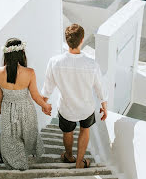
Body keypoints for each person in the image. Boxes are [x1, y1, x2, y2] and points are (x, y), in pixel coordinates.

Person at [41, 24, 108, 169]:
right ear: (82, 40)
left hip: (66, 108)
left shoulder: (54, 62)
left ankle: (69, 156)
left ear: (67, 40)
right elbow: (100, 89)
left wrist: (44, 104)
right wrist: (104, 106)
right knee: (85, 130)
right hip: (86, 108)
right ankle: (79, 162)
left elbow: (48, 87)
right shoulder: (92, 64)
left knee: (68, 132)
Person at [0, 38, 52, 170]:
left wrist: (0, 108)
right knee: (28, 133)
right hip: (26, 108)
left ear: (6, 54)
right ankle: (25, 157)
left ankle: (18, 163)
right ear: (22, 54)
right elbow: (35, 95)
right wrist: (45, 106)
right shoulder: (29, 72)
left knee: (11, 138)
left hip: (8, 108)